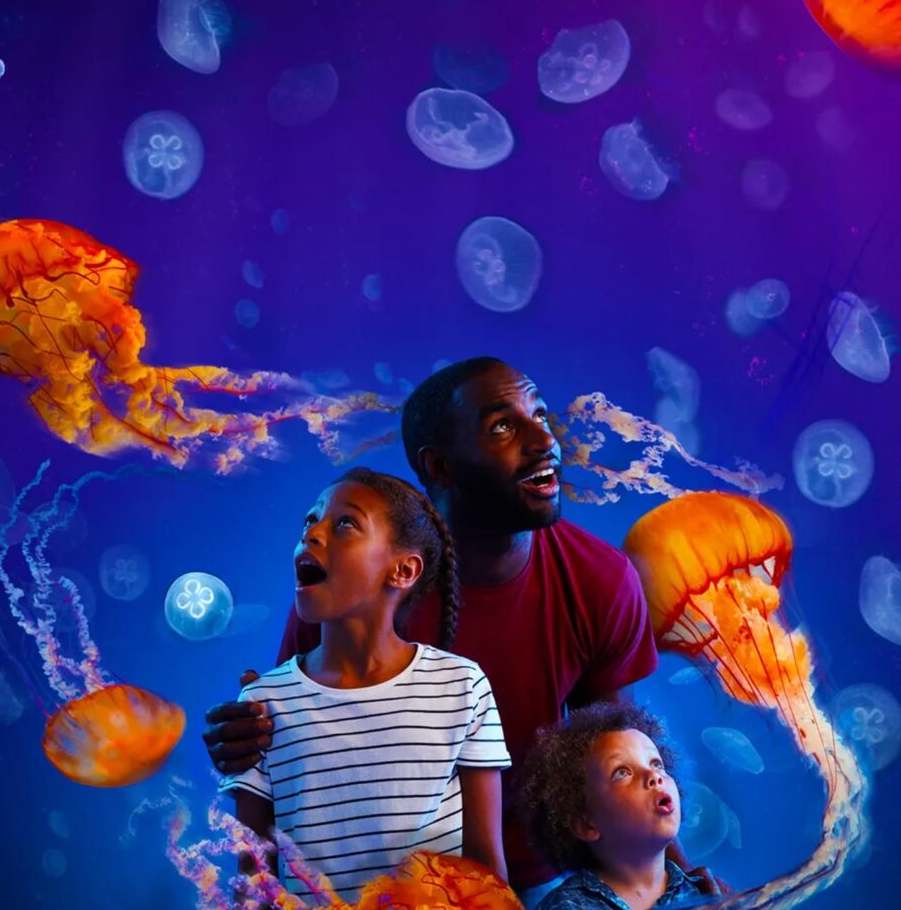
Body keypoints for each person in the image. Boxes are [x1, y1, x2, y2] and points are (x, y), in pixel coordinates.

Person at [205, 357, 708, 904]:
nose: (546, 439)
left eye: (539, 414)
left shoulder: (602, 581)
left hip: (540, 883)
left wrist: (675, 877)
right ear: (440, 467)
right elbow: (286, 749)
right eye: (503, 426)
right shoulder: (358, 589)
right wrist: (248, 735)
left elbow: (613, 756)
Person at [219, 467, 510, 903]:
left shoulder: (462, 686)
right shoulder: (263, 704)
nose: (312, 533)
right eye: (309, 521)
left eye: (345, 523)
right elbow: (253, 876)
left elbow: (486, 862)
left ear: (404, 570)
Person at [520, 703, 714, 909]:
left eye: (656, 763)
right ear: (586, 824)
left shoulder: (698, 894)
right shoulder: (566, 907)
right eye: (622, 772)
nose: (654, 776)